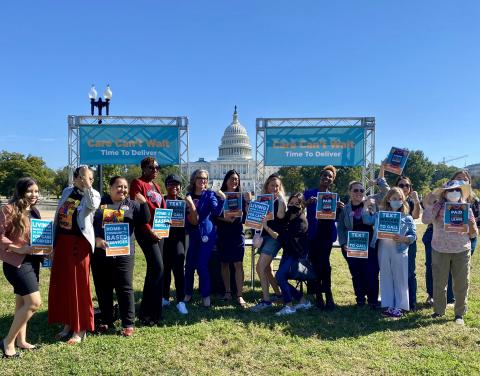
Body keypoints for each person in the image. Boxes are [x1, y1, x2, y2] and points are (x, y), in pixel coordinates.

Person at [91, 176, 150, 336]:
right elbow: (88, 224)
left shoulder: (132, 204)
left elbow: (145, 219)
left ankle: (128, 323)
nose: (122, 190)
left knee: (125, 287)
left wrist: (143, 203)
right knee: (103, 288)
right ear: (109, 187)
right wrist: (96, 239)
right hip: (101, 253)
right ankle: (106, 320)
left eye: (125, 187)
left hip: (124, 254)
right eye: (118, 186)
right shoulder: (98, 203)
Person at [48, 166, 101, 344]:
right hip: (62, 242)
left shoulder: (93, 194)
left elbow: (93, 205)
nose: (88, 180)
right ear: (75, 178)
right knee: (64, 284)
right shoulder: (66, 192)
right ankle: (68, 324)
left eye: (91, 178)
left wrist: (87, 185)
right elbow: (58, 218)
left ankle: (81, 328)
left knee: (79, 285)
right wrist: (53, 244)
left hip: (79, 244)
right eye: (84, 177)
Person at [422, 180, 478, 325]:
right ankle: (439, 310)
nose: (454, 193)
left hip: (461, 250)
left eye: (457, 190)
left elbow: (473, 234)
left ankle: (459, 313)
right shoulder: (438, 206)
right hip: (440, 249)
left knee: (461, 283)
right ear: (444, 193)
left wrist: (471, 227)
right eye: (450, 190)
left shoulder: (467, 208)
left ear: (461, 192)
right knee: (439, 282)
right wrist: (428, 205)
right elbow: (425, 219)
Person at [0, 178, 42, 358]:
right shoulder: (8, 209)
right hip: (16, 263)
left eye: (36, 191)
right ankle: (7, 343)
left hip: (33, 262)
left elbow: (40, 236)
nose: (34, 195)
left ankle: (21, 341)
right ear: (21, 192)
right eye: (30, 191)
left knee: (22, 303)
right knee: (34, 303)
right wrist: (19, 248)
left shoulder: (34, 211)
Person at [364, 187, 416, 318]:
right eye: (394, 199)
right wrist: (366, 206)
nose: (397, 201)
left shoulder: (407, 217)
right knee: (386, 276)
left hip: (400, 249)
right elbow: (367, 220)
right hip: (383, 248)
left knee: (400, 277)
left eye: (400, 199)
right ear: (388, 199)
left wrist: (404, 238)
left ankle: (401, 306)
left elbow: (413, 236)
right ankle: (388, 305)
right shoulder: (380, 214)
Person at [129, 157, 166, 325]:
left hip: (160, 232)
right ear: (143, 168)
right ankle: (148, 313)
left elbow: (162, 207)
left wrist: (166, 222)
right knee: (158, 268)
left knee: (154, 271)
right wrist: (150, 231)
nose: (155, 170)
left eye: (157, 167)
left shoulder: (156, 186)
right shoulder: (137, 183)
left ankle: (151, 312)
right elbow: (139, 210)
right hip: (146, 232)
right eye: (152, 167)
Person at [263, 193, 312, 315]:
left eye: (297, 203)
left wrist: (266, 227)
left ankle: (289, 306)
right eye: (291, 203)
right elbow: (279, 221)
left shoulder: (301, 221)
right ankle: (302, 301)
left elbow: (282, 237)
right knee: (281, 278)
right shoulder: (288, 215)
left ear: (302, 205)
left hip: (296, 255)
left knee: (279, 277)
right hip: (288, 252)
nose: (293, 205)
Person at [304, 166, 344, 310]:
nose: (327, 178)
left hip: (326, 233)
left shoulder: (334, 196)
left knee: (325, 265)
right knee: (315, 265)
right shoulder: (309, 193)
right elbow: (298, 208)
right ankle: (319, 296)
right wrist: (306, 203)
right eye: (325, 175)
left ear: (332, 180)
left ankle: (328, 294)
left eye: (330, 177)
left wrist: (340, 208)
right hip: (313, 234)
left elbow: (337, 217)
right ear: (320, 176)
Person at [184, 169, 225, 307]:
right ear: (194, 180)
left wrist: (222, 199)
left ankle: (205, 295)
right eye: (200, 178)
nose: (203, 181)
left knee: (202, 265)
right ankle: (188, 293)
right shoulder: (188, 195)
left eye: (205, 178)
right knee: (189, 265)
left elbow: (217, 212)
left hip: (206, 234)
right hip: (192, 233)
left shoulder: (210, 195)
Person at [337, 181, 380, 309]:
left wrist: (377, 182)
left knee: (371, 272)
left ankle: (373, 300)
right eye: (355, 190)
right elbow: (340, 228)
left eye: (362, 190)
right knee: (356, 273)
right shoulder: (345, 209)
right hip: (352, 244)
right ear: (349, 192)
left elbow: (385, 193)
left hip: (370, 244)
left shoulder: (371, 205)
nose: (359, 193)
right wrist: (344, 242)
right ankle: (360, 299)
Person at [251, 174, 286, 312]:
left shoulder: (280, 201)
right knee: (267, 269)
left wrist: (282, 201)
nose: (275, 188)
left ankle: (266, 301)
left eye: (277, 186)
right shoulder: (263, 200)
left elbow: (281, 216)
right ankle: (278, 294)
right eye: (272, 185)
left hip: (273, 238)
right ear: (267, 186)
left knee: (259, 268)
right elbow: (255, 219)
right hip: (264, 237)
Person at [162, 174, 196, 314]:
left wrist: (190, 205)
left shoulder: (183, 202)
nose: (174, 187)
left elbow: (194, 221)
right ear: (166, 186)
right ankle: (164, 297)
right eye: (171, 184)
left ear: (181, 187)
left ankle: (180, 301)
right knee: (164, 271)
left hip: (178, 241)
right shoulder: (161, 201)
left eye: (177, 184)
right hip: (163, 240)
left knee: (178, 271)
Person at [216, 170, 251, 307]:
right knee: (224, 263)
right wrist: (224, 218)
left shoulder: (242, 197)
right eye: (232, 179)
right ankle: (228, 292)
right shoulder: (219, 196)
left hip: (237, 234)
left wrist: (248, 203)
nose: (234, 181)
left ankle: (240, 294)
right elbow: (214, 215)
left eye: (236, 179)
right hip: (224, 233)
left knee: (238, 264)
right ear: (226, 180)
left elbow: (248, 218)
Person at [395, 176, 421, 311]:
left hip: (409, 242)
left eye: (407, 185)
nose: (405, 188)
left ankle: (412, 302)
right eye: (401, 185)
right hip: (393, 242)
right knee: (396, 272)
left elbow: (416, 216)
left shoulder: (411, 202)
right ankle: (397, 300)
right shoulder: (392, 201)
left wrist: (416, 202)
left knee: (410, 272)